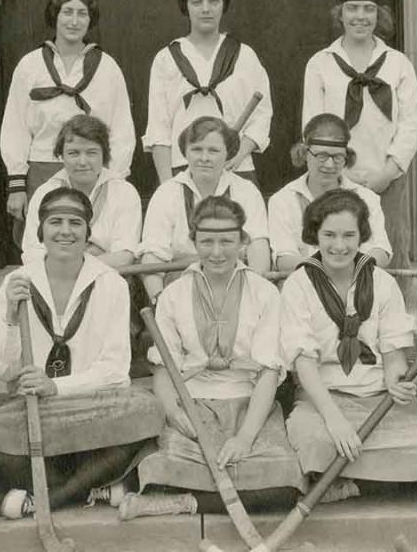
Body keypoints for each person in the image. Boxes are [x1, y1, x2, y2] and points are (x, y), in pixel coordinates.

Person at [0, 187, 163, 518]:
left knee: (148, 413)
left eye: (75, 222)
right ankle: (93, 488)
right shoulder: (18, 281)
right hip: (34, 409)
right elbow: (2, 367)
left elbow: (114, 369)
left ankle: (46, 499)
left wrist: (56, 386)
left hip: (93, 408)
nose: (65, 231)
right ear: (41, 231)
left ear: (88, 231)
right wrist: (11, 317)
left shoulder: (110, 283)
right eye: (55, 222)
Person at [280, 189, 417, 505]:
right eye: (329, 235)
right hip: (322, 399)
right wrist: (334, 419)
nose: (339, 245)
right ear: (314, 236)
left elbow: (394, 358)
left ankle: (349, 482)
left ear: (362, 237)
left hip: (378, 399)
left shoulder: (382, 283)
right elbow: (303, 363)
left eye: (349, 235)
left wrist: (395, 382)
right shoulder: (298, 284)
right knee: (310, 441)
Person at [119, 196, 305, 520]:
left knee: (284, 484)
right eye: (206, 241)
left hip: (250, 403)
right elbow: (163, 369)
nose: (216, 252)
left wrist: (245, 438)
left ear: (243, 242)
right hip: (193, 404)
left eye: (226, 241)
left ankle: (181, 505)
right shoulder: (174, 295)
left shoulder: (264, 292)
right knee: (161, 472)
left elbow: (268, 373)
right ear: (193, 241)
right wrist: (176, 414)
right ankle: (173, 495)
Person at [302, 0, 417, 268]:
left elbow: (410, 124)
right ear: (339, 13)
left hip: (387, 179)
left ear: (379, 14)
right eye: (352, 8)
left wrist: (386, 173)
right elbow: (314, 127)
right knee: (340, 252)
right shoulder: (321, 64)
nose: (360, 16)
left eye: (369, 8)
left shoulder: (397, 63)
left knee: (389, 253)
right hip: (336, 177)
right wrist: (343, 176)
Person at [0, 0, 135, 243]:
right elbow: (14, 126)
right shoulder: (30, 65)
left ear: (90, 19)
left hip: (93, 171)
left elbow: (121, 128)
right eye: (67, 12)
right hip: (43, 169)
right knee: (46, 242)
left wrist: (113, 180)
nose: (74, 21)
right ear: (55, 15)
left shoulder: (107, 67)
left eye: (81, 13)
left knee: (94, 241)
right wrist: (17, 184)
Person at [142, 0, 272, 186]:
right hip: (181, 170)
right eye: (197, 2)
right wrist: (167, 185)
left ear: (224, 5)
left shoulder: (245, 56)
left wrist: (237, 156)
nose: (205, 9)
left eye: (213, 1)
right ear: (186, 6)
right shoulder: (166, 59)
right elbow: (158, 127)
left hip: (236, 169)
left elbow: (262, 114)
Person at [140, 116, 271, 304]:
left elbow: (257, 247)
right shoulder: (166, 193)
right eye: (196, 150)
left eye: (213, 151)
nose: (204, 158)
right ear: (185, 153)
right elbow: (153, 255)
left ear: (228, 154)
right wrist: (159, 302)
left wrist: (254, 298)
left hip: (235, 289)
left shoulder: (246, 191)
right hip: (181, 291)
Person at [269, 112, 392, 270]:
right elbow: (283, 258)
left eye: (337, 157)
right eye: (321, 155)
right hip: (304, 285)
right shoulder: (283, 200)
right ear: (305, 153)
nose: (329, 165)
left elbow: (381, 250)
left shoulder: (366, 198)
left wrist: (349, 272)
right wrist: (325, 272)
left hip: (356, 282)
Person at [21, 114, 141, 268]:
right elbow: (33, 252)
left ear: (104, 155)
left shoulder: (123, 192)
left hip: (107, 275)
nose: (82, 162)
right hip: (54, 277)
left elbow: (124, 256)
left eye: (91, 153)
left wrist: (75, 267)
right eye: (73, 153)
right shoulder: (45, 193)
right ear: (61, 155)